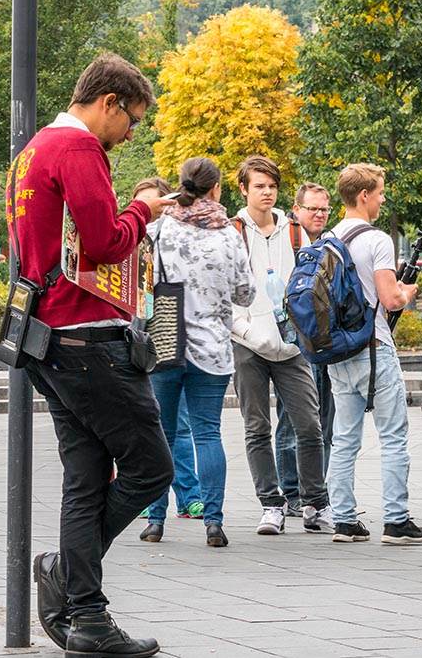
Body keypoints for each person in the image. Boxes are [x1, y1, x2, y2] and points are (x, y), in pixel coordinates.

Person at [19, 54, 174, 656]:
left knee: (85, 481)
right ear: (109, 102)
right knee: (150, 469)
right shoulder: (79, 150)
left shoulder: (34, 148)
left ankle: (87, 621)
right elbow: (107, 240)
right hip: (87, 339)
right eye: (131, 119)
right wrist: (143, 210)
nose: (130, 134)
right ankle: (64, 575)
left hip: (46, 339)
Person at [139, 158, 254, 548]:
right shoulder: (229, 236)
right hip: (213, 347)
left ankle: (155, 520)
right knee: (207, 432)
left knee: (162, 433)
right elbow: (245, 293)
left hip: (167, 338)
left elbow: (143, 284)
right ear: (216, 189)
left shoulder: (159, 230)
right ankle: (214, 523)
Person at [324, 164, 422, 545]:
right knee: (394, 436)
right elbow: (389, 297)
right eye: (380, 192)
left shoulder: (328, 237)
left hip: (338, 350)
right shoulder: (377, 240)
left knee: (344, 437)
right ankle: (396, 520)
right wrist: (407, 292)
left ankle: (344, 518)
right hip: (374, 347)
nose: (383, 199)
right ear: (364, 195)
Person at [231, 155, 333, 536]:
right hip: (248, 343)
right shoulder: (232, 233)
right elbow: (220, 294)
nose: (267, 192)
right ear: (244, 189)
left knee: (309, 425)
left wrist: (306, 332)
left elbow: (310, 287)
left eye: (272, 186)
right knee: (257, 427)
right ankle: (271, 504)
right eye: (259, 186)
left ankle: (314, 502)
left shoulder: (295, 232)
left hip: (292, 346)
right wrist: (245, 331)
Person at [131, 177, 205, 526]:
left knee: (180, 423)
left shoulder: (175, 240)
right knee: (145, 424)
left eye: (154, 205)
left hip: (172, 338)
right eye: (142, 206)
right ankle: (151, 499)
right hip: (133, 339)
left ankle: (189, 495)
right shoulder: (128, 242)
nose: (149, 214)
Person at [275, 181, 335, 514]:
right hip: (295, 341)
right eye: (311, 208)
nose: (318, 215)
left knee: (323, 418)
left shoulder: (330, 244)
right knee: (291, 419)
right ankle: (290, 491)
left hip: (325, 342)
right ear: (296, 209)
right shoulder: (286, 243)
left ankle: (317, 490)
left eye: (323, 209)